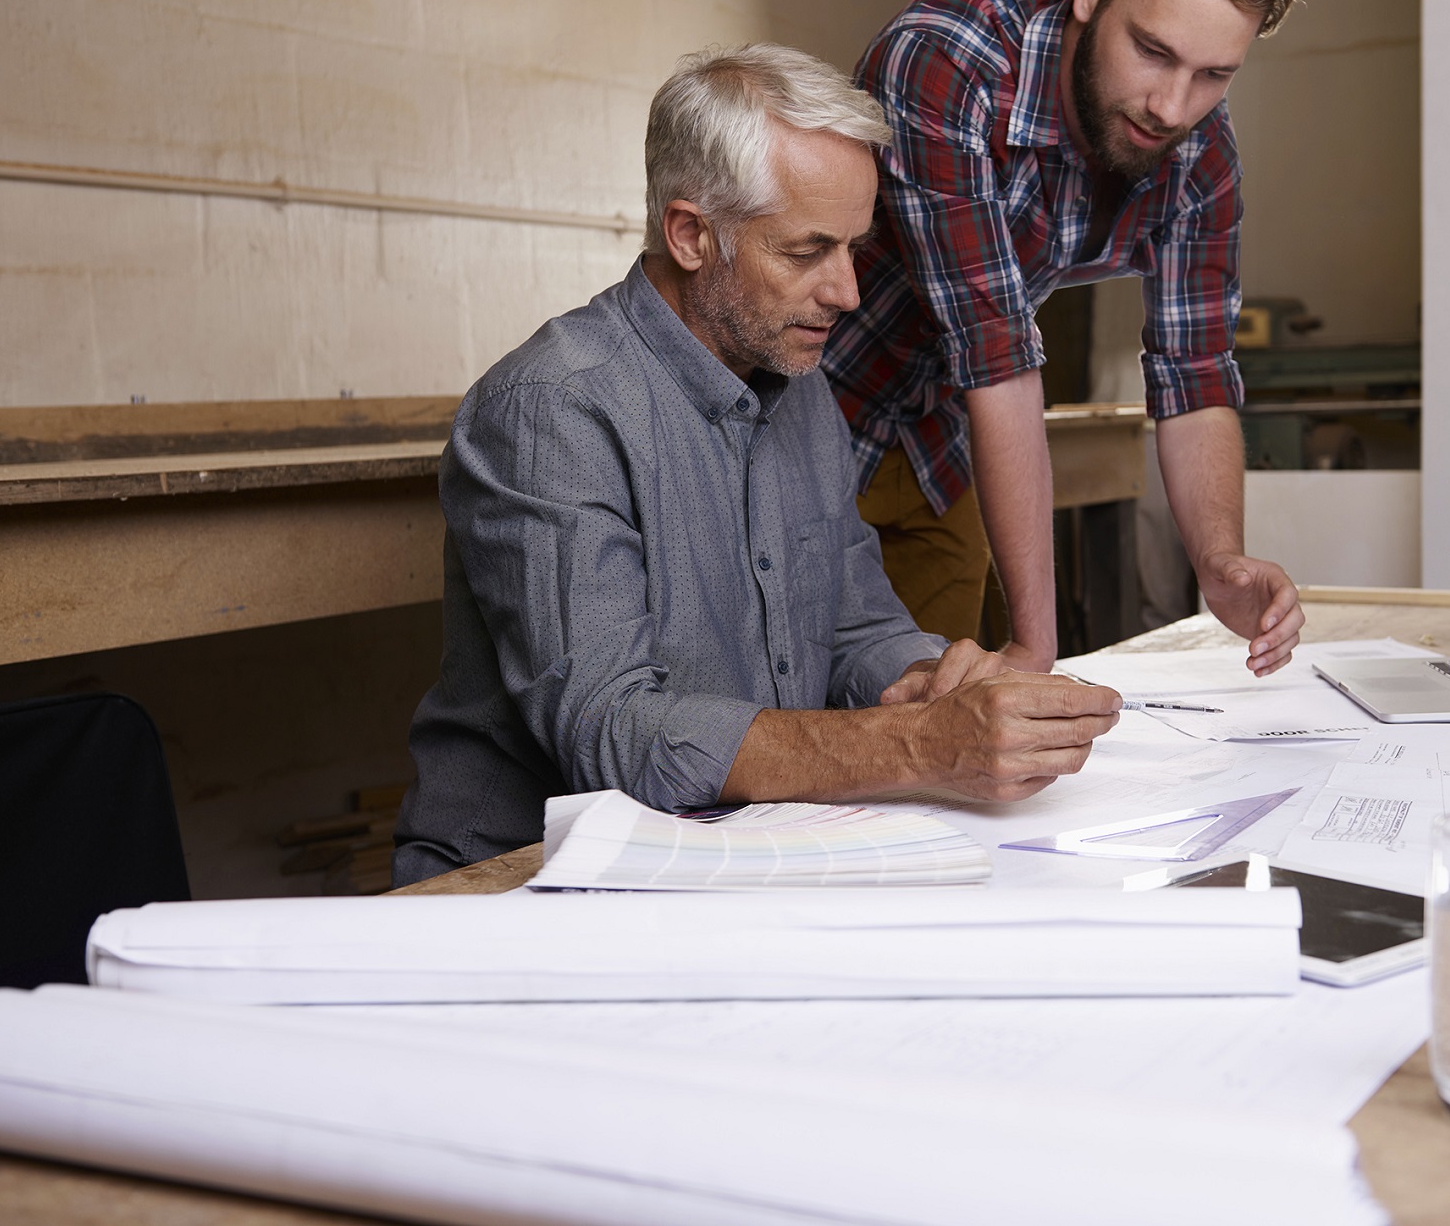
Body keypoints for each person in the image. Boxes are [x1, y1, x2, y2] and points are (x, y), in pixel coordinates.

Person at [394, 44, 1122, 885]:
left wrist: (927, 680)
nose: (847, 292)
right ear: (692, 234)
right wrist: (918, 743)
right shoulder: (552, 409)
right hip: (527, 876)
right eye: (807, 251)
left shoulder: (801, 388)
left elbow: (855, 626)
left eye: (855, 247)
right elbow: (612, 732)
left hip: (725, 851)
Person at [824, 0, 1307, 676]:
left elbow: (1196, 378)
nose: (1170, 106)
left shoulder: (1200, 155)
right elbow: (998, 359)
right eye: (1152, 50)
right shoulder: (949, 60)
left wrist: (1220, 562)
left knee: (925, 737)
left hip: (938, 447)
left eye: (1214, 73)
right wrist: (1037, 649)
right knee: (785, 725)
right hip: (802, 427)